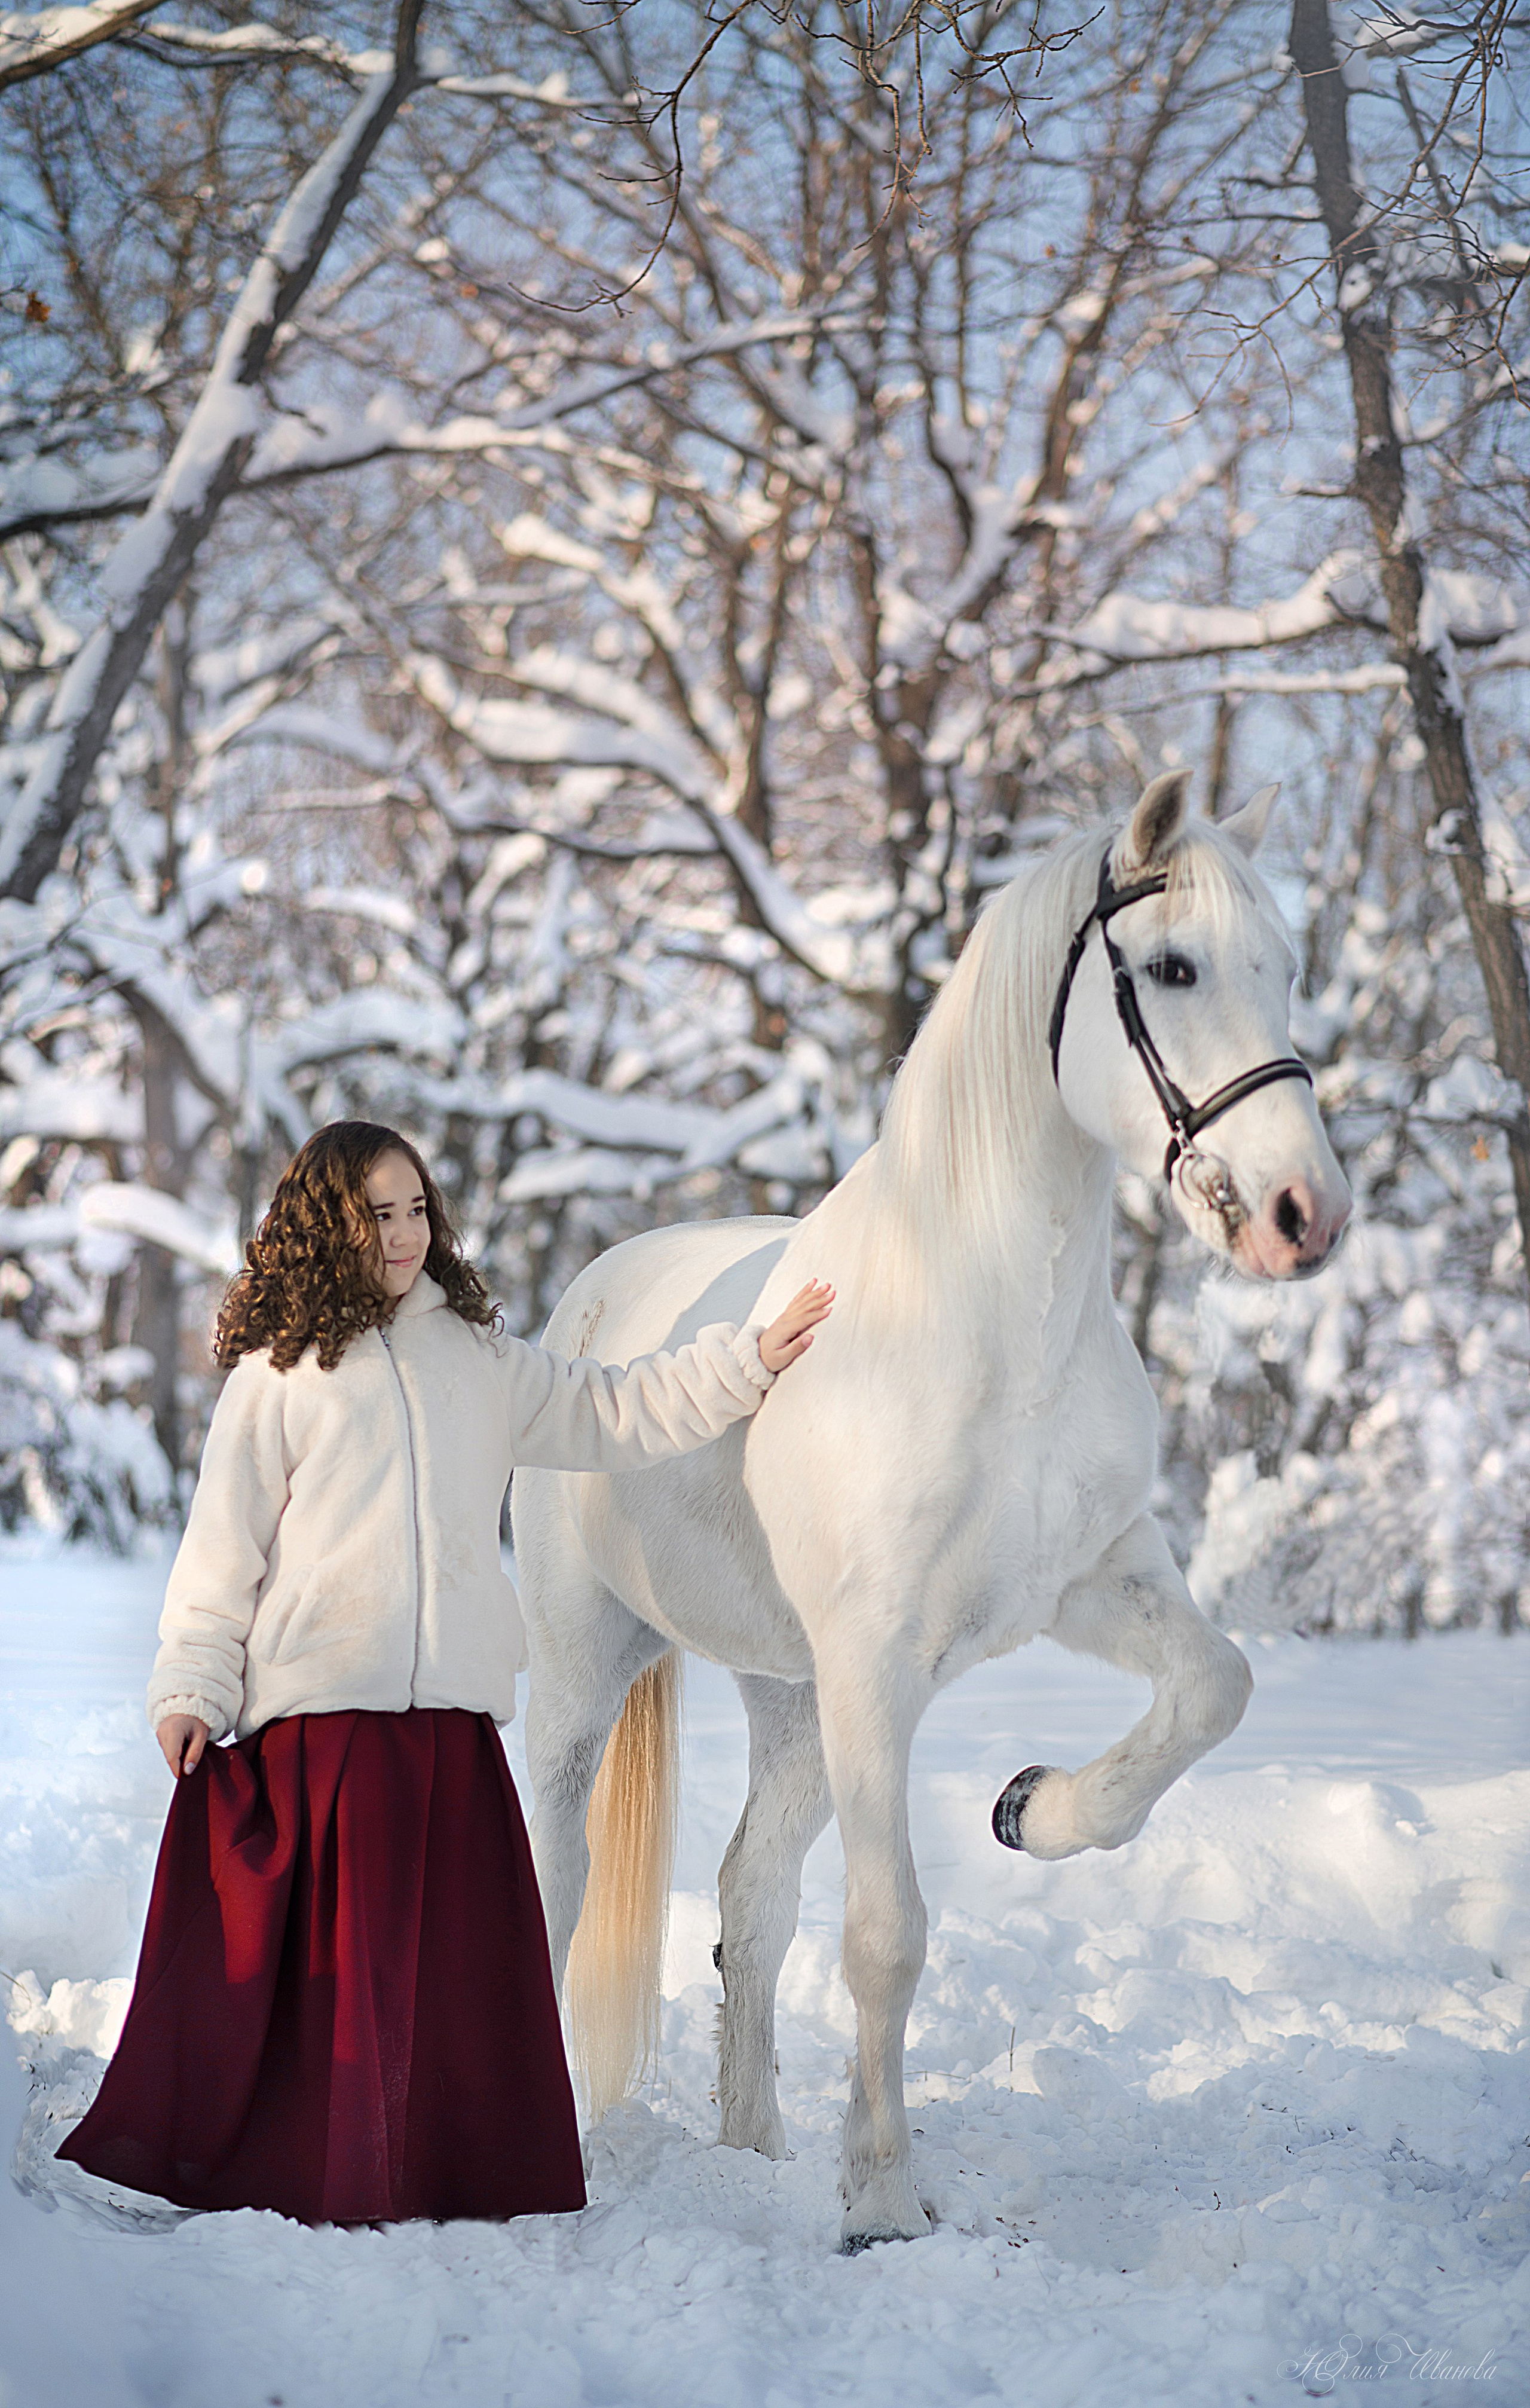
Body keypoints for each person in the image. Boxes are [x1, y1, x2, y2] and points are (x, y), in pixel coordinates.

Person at [57, 1121, 830, 2227]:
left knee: (460, 1989)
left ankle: (462, 2174)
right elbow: (220, 1556)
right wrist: (191, 1686)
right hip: (326, 1731)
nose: (405, 1233)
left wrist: (750, 1358)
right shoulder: (279, 1377)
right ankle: (321, 2168)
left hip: (451, 1733)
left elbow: (619, 1409)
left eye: (417, 1208)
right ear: (330, 1224)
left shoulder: (478, 1358)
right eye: (377, 1213)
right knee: (345, 1988)